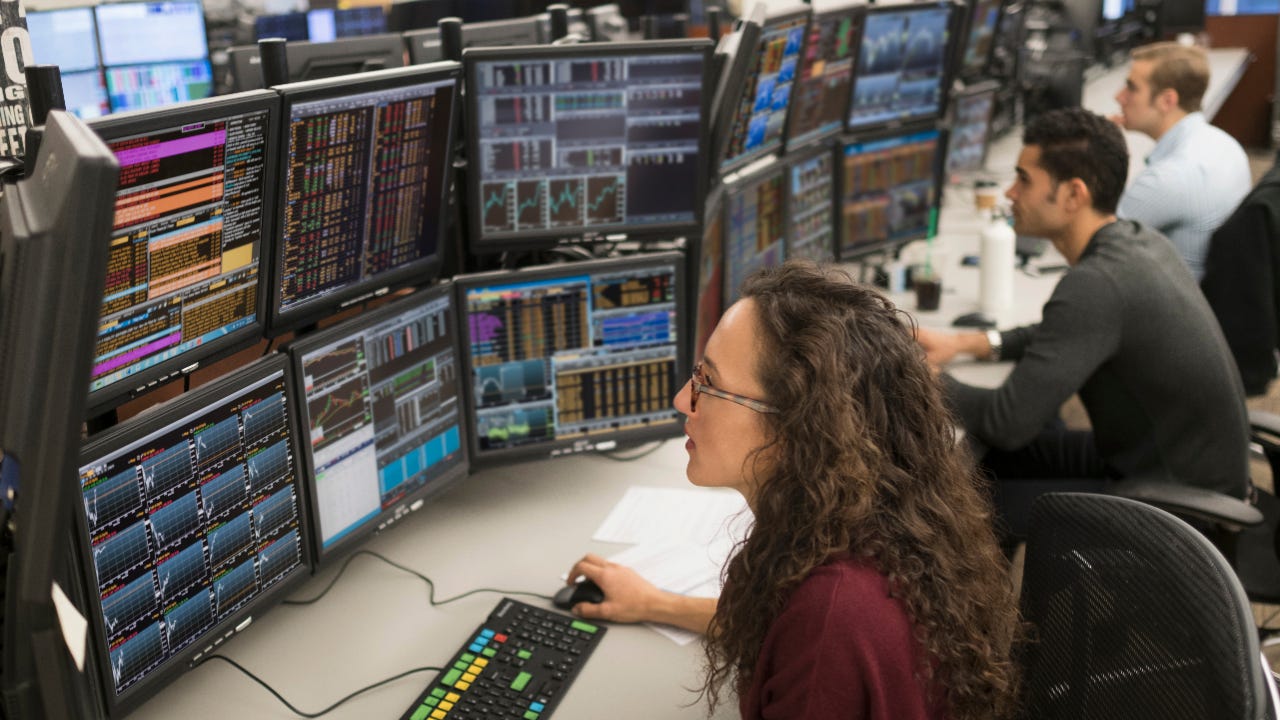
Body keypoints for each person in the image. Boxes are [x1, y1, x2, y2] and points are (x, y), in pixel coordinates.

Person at [566, 262, 1020, 719]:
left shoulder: (832, 617)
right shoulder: (856, 527)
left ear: (797, 426)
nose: (683, 399)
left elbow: (810, 635)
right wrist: (656, 603)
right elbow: (775, 627)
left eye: (709, 382)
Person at [917, 107, 1250, 541]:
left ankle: (998, 608)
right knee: (992, 465)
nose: (1009, 192)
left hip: (1178, 514)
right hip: (1168, 469)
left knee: (950, 509)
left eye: (1024, 179)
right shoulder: (1137, 241)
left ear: (1074, 195)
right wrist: (971, 343)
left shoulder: (1097, 284)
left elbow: (1007, 421)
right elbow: (1064, 333)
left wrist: (924, 380)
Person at [1113, 41, 1251, 279]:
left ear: (1167, 100)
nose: (1118, 97)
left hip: (1164, 309)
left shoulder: (1168, 178)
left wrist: (1096, 149)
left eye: (1131, 87)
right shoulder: (1225, 144)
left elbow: (1093, 248)